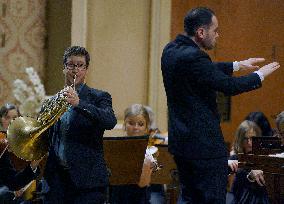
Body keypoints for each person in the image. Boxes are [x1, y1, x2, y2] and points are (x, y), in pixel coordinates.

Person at [161, 7, 280, 204]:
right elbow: (228, 86)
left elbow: (204, 70)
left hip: (182, 145)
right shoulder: (195, 57)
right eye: (215, 30)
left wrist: (237, 65)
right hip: (204, 149)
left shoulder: (171, 50)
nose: (217, 35)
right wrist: (260, 75)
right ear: (201, 32)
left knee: (191, 200)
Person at [44, 46, 117, 203]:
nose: (75, 70)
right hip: (57, 180)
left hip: (87, 181)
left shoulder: (99, 97)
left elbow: (110, 121)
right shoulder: (52, 101)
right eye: (71, 65)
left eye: (80, 65)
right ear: (64, 68)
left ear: (86, 69)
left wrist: (79, 103)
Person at [110, 104, 158, 204]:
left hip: (141, 196)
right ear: (124, 125)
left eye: (140, 124)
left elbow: (143, 183)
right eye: (131, 123)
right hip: (118, 196)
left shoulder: (152, 149)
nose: (136, 127)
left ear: (146, 127)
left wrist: (152, 166)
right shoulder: (114, 146)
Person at [0, 103, 41, 203]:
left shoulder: (25, 142)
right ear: (1, 119)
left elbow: (14, 181)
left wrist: (33, 165)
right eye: (7, 117)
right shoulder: (2, 143)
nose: (11, 121)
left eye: (14, 117)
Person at [228, 120, 269, 204]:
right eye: (245, 139)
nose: (249, 142)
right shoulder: (235, 156)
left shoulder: (263, 156)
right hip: (239, 197)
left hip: (259, 199)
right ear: (240, 139)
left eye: (252, 138)